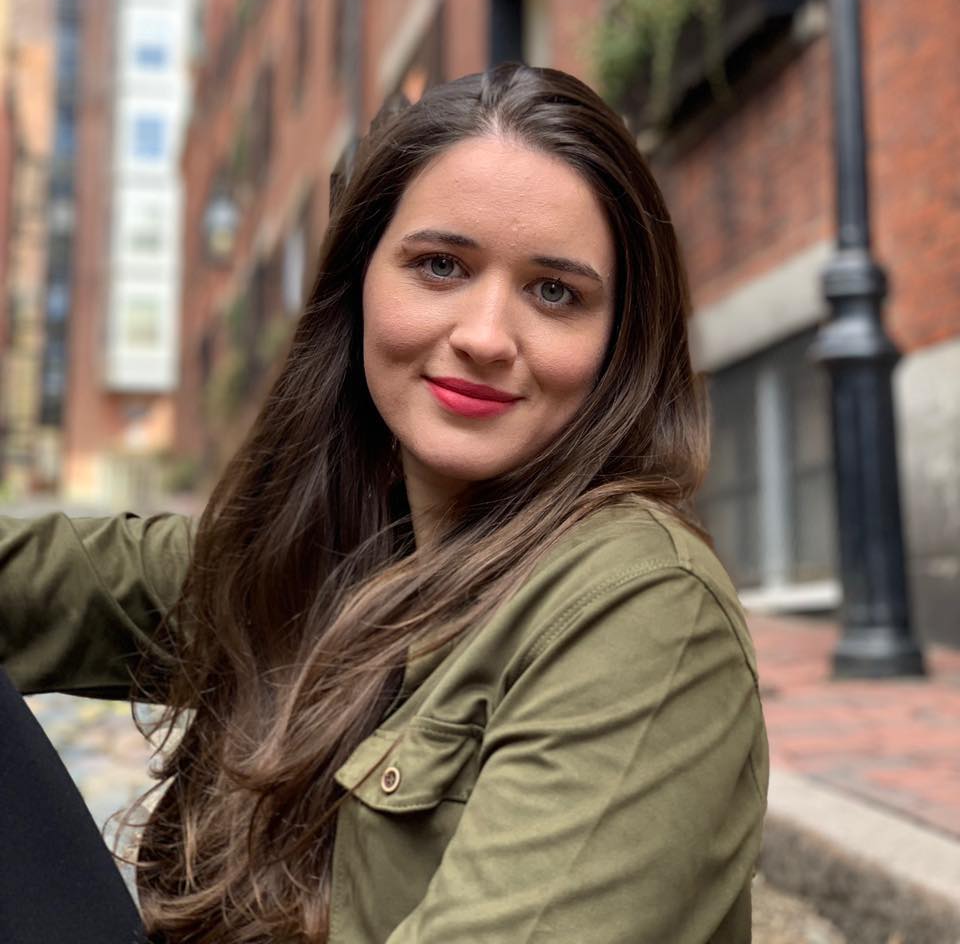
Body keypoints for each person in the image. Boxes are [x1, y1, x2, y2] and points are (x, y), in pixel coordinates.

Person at [0, 63, 768, 943]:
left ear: (618, 342)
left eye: (554, 292)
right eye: (441, 266)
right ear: (359, 282)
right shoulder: (312, 554)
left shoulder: (644, 609)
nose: (485, 337)